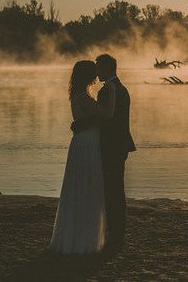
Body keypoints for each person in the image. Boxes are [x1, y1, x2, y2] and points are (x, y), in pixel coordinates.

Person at [49, 60, 115, 254]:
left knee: (80, 187)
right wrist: (111, 92)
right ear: (87, 76)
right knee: (86, 186)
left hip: (82, 141)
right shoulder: (83, 98)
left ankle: (78, 236)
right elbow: (107, 114)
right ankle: (84, 240)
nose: (96, 76)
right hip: (86, 143)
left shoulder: (77, 95)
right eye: (93, 73)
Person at [93, 54, 136, 253]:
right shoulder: (121, 88)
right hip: (119, 145)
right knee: (115, 189)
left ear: (108, 68)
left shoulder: (108, 91)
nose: (96, 72)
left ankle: (116, 234)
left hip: (112, 146)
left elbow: (105, 120)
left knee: (113, 190)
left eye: (98, 68)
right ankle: (118, 233)